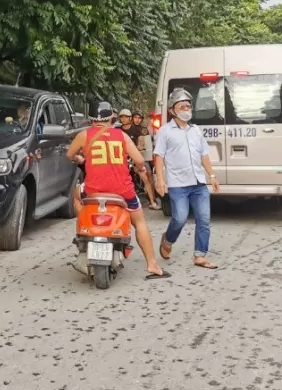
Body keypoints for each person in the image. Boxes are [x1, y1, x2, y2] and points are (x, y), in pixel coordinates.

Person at [66, 99, 168, 280]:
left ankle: (84, 234)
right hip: (123, 191)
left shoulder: (84, 135)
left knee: (76, 195)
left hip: (92, 191)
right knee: (140, 223)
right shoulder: (122, 136)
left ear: (91, 118)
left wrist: (80, 159)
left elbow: (70, 155)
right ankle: (152, 264)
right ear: (112, 118)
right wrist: (141, 168)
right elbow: (138, 160)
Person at [153, 88, 220, 270]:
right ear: (172, 111)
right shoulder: (165, 132)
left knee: (204, 219)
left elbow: (204, 155)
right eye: (182, 106)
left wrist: (211, 175)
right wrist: (160, 180)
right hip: (177, 184)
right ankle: (168, 239)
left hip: (198, 183)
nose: (186, 109)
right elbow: (158, 156)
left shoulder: (196, 131)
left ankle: (200, 255)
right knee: (180, 218)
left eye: (188, 106)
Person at [118, 109, 160, 210]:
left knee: (145, 176)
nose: (124, 119)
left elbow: (140, 143)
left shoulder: (137, 130)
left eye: (126, 117)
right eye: (122, 117)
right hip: (120, 158)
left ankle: (152, 201)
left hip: (134, 157)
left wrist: (137, 148)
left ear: (129, 118)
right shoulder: (117, 130)